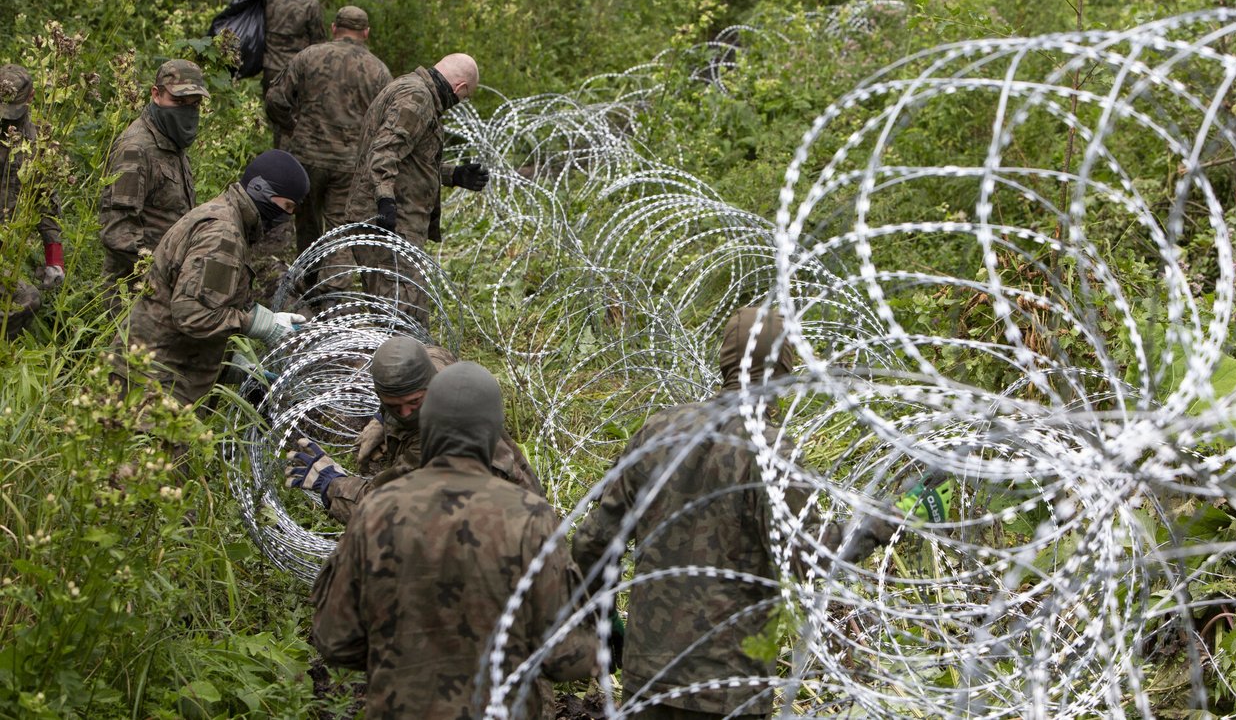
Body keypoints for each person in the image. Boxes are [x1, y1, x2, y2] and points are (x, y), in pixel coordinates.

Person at [572, 307, 894, 720]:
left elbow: (593, 542)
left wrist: (603, 623)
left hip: (646, 677)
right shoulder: (771, 452)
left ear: (724, 360)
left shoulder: (657, 432)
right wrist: (879, 522)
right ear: (784, 367)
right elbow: (811, 558)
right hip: (726, 689)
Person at [311, 361, 597, 718]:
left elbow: (334, 640)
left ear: (426, 427)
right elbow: (568, 659)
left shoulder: (377, 510)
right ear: (494, 433)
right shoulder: (530, 518)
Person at [112, 150, 310, 406]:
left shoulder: (226, 218)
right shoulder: (223, 235)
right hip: (154, 382)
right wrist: (258, 324)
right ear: (261, 190)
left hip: (158, 369)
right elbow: (193, 314)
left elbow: (203, 301)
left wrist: (228, 365)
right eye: (287, 207)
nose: (287, 217)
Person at [285, 334, 543, 523]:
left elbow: (384, 508)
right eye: (393, 404)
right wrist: (382, 418)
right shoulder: (432, 362)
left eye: (414, 402)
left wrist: (330, 482)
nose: (406, 413)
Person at [343, 53, 489, 324]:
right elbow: (385, 152)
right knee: (404, 317)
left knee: (395, 312)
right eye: (464, 98)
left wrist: (454, 175)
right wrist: (385, 202)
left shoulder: (412, 89)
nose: (459, 103)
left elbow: (411, 159)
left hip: (392, 220)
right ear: (460, 88)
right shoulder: (418, 98)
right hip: (390, 224)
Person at [264, 5, 391, 279]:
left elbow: (275, 99)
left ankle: (305, 283)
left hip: (307, 157)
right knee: (340, 227)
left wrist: (292, 128)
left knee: (307, 222)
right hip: (349, 163)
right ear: (366, 33)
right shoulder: (378, 70)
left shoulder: (308, 56)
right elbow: (388, 122)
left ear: (334, 28)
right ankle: (334, 289)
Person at [99, 59, 207, 310]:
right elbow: (117, 231)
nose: (187, 112)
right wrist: (158, 274)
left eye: (195, 104)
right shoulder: (136, 149)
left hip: (166, 286)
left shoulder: (170, 140)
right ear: (156, 95)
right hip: (135, 293)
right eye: (179, 102)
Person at [0, 64, 62, 338]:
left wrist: (54, 259)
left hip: (3, 248)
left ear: (31, 97)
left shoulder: (37, 144)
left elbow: (47, 202)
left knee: (28, 300)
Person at [262, 0, 326, 147]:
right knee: (293, 122)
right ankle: (287, 165)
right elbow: (319, 43)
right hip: (294, 72)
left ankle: (276, 158)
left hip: (269, 68)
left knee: (276, 117)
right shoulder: (311, 4)